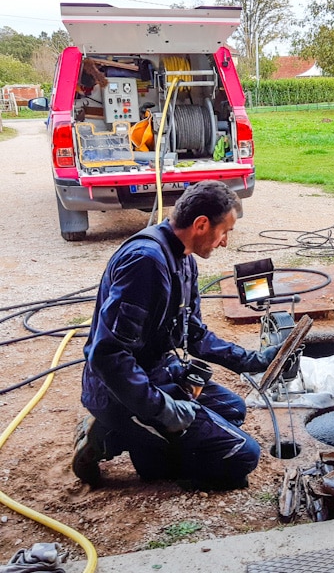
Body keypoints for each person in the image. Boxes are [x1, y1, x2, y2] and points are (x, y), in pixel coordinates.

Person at [73, 180, 280, 491]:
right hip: (119, 391)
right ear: (200, 224)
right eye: (225, 231)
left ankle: (130, 436)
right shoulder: (146, 262)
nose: (224, 242)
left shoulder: (183, 258)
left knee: (234, 410)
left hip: (155, 373)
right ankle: (118, 434)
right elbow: (108, 355)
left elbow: (194, 334)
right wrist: (165, 411)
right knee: (240, 458)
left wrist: (252, 361)